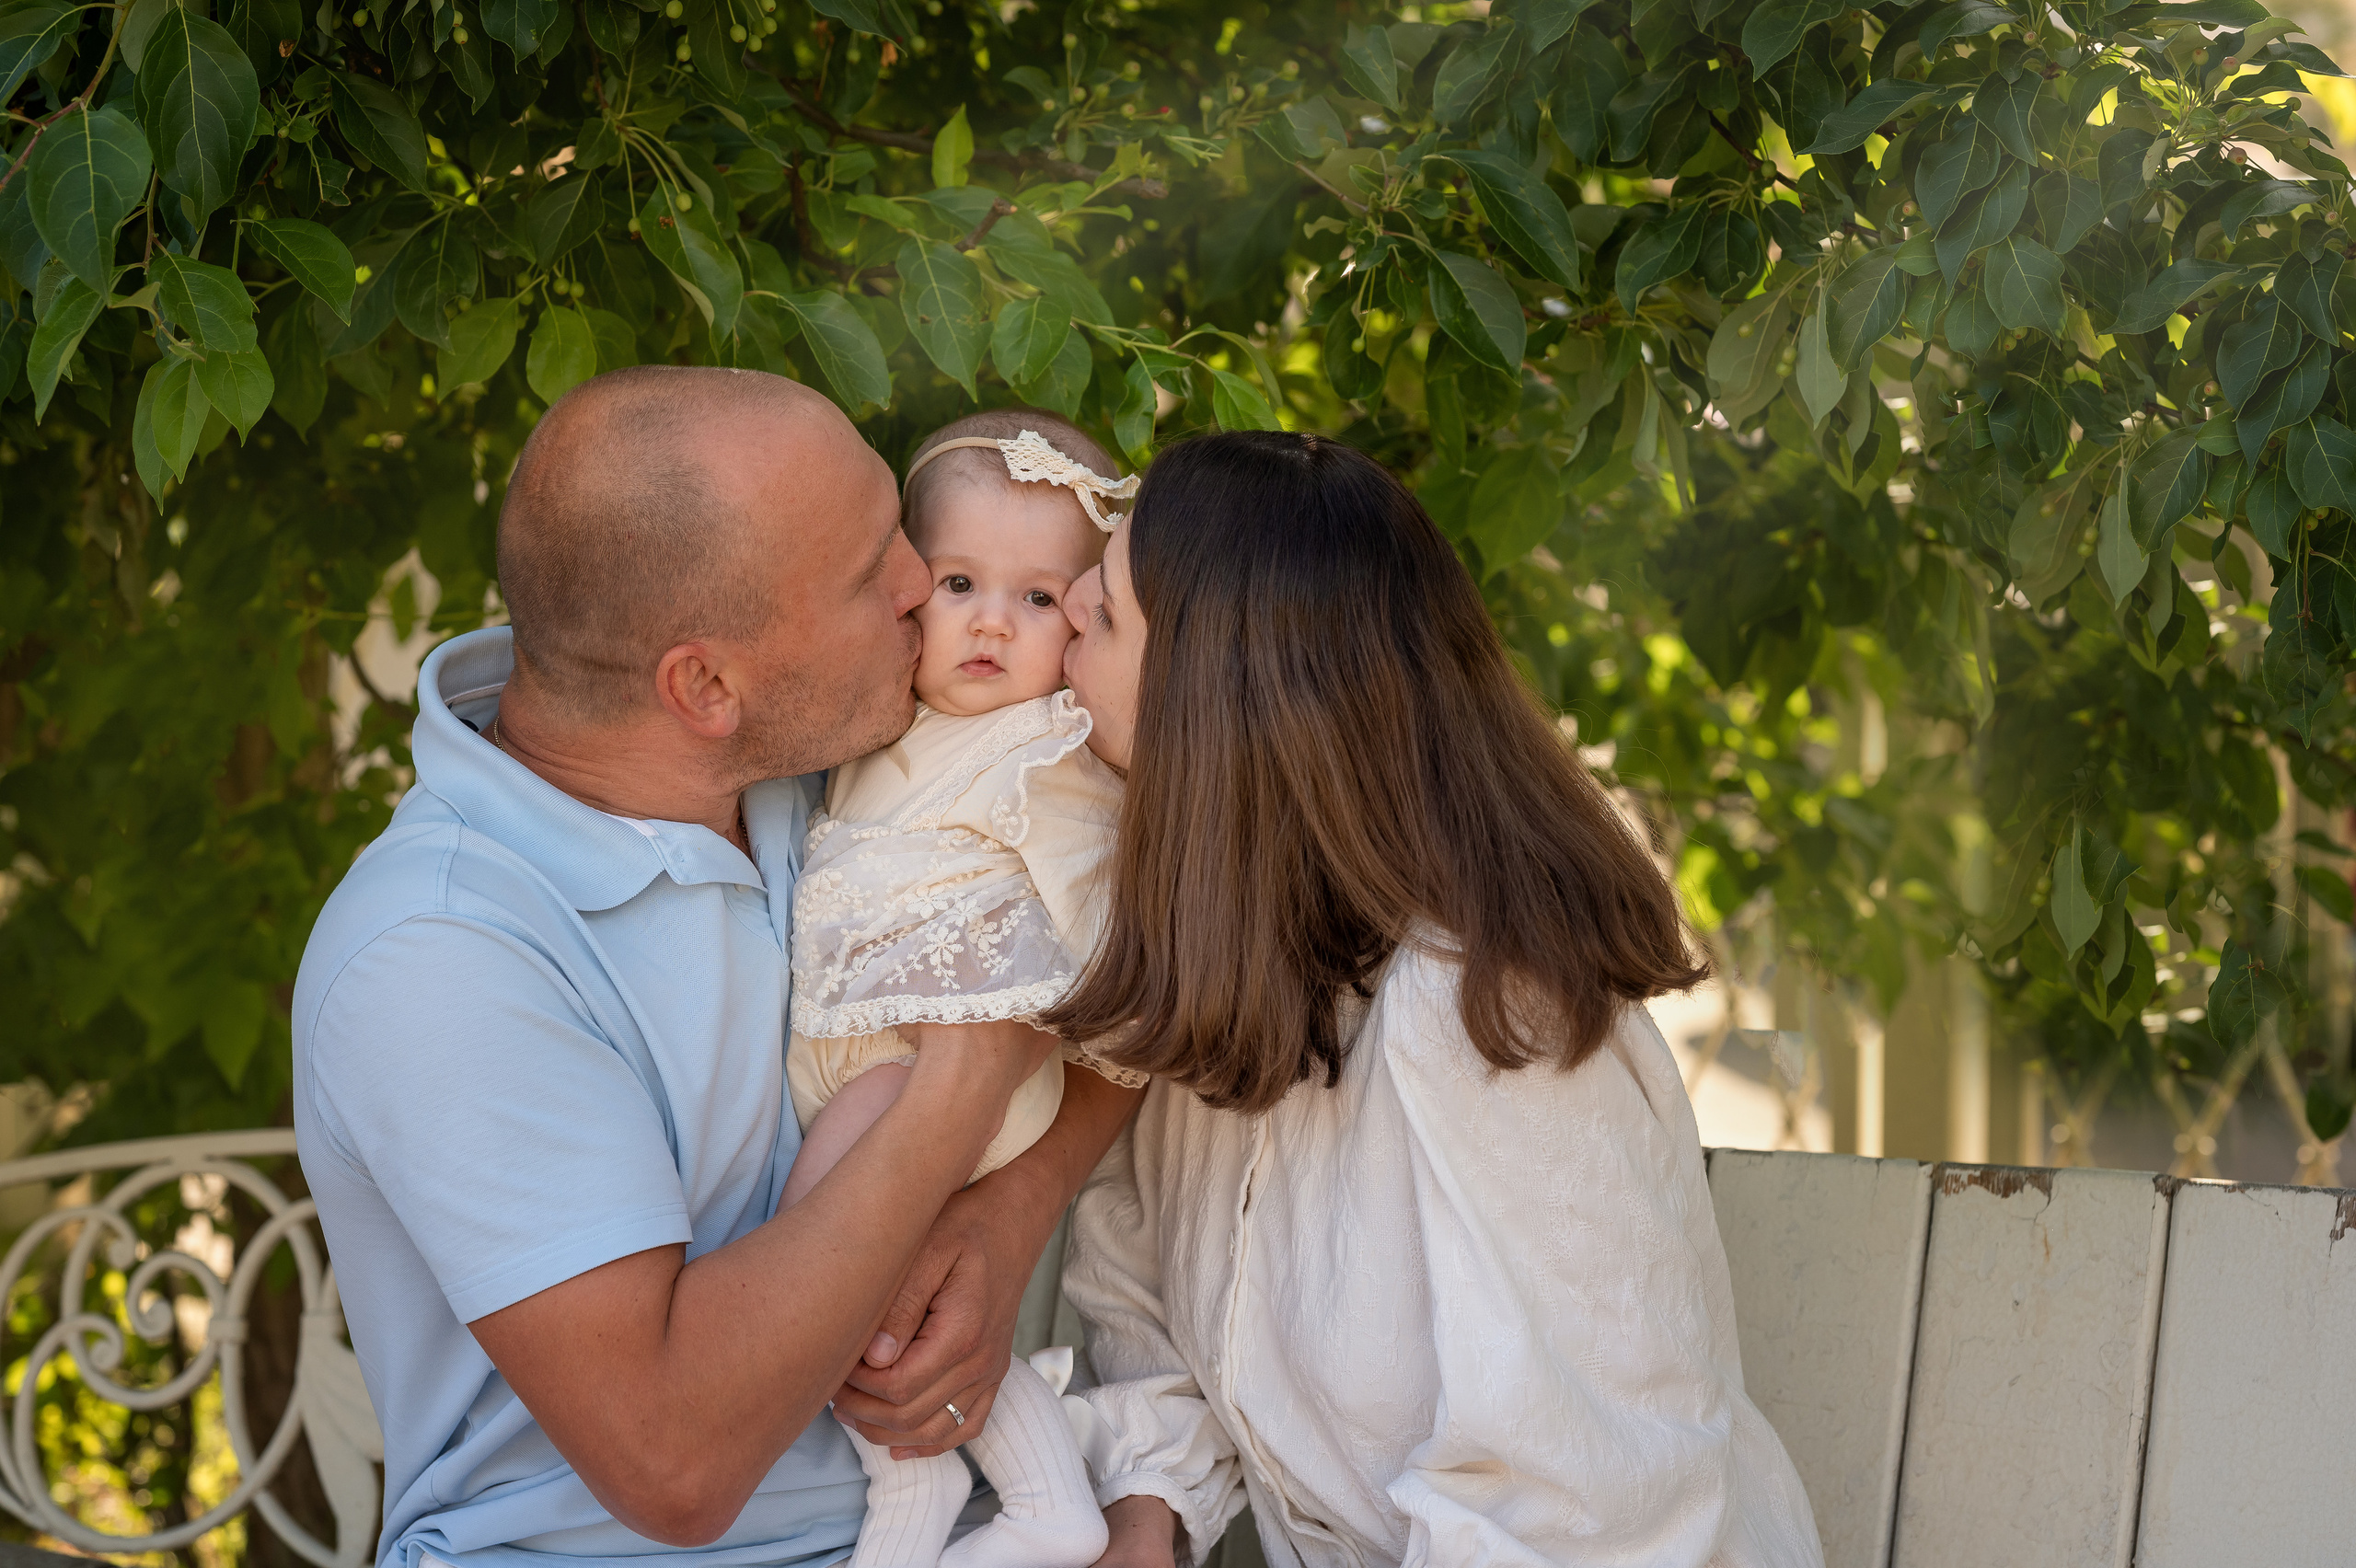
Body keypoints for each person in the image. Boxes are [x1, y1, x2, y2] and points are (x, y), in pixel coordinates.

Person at [290, 366, 1138, 1568]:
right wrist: (964, 1087)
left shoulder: (839, 771)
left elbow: (1132, 971)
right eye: (870, 574)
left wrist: (1013, 1209)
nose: (924, 586)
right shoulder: (440, 958)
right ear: (705, 687)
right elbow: (674, 1465)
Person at [1045, 431, 1827, 1568]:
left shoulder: (1490, 1016)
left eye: (1106, 609)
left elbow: (1582, 1509)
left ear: (1219, 701)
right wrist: (1146, 1514)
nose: (1062, 603)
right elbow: (1146, 1287)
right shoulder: (1229, 965)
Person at [780, 409, 1144, 1568]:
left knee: (819, 1253)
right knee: (915, 1280)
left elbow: (1094, 919)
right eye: (959, 582)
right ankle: (1044, 1502)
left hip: (950, 1067)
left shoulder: (1051, 748)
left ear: (1083, 624)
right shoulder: (876, 727)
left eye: (1041, 599)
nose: (992, 619)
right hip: (884, 1060)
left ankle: (906, 1503)